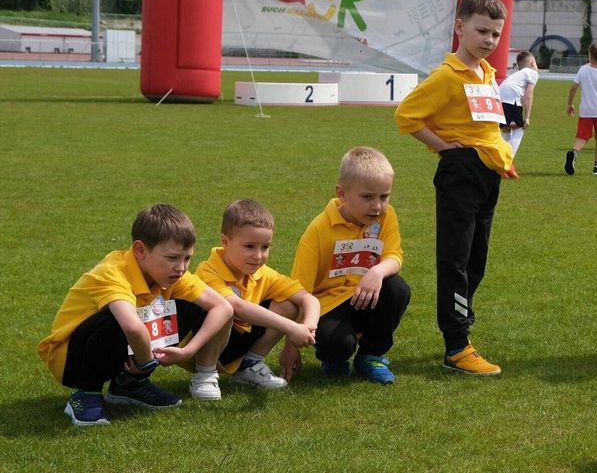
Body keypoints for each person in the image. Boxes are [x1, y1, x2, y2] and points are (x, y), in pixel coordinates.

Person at [394, 0, 513, 375]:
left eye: (495, 34)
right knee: (456, 261)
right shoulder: (446, 76)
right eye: (482, 31)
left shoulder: (487, 73)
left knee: (476, 261)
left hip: (487, 176)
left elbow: (483, 123)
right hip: (460, 173)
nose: (489, 41)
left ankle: (461, 325)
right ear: (460, 27)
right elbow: (407, 116)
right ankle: (457, 346)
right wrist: (447, 148)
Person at [37, 205, 234, 426]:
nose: (181, 267)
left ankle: (129, 385)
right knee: (115, 319)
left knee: (196, 306)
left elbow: (223, 308)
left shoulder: (174, 274)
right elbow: (132, 327)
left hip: (130, 350)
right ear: (140, 250)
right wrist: (146, 363)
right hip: (71, 358)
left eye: (187, 258)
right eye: (172, 258)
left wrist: (187, 351)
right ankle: (86, 394)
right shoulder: (112, 273)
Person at [281, 147, 412, 384]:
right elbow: (299, 289)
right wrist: (291, 344)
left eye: (384, 196)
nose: (377, 207)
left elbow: (394, 255)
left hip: (365, 297)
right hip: (328, 306)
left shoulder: (386, 217)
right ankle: (335, 358)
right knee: (336, 344)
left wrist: (377, 271)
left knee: (397, 288)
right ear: (342, 193)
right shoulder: (319, 230)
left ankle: (371, 356)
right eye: (367, 197)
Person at [194, 199, 320, 389]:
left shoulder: (263, 274)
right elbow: (238, 307)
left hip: (238, 340)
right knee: (225, 309)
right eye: (250, 246)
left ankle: (248, 366)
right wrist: (291, 327)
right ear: (225, 242)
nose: (259, 255)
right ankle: (204, 375)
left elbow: (308, 299)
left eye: (265, 247)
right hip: (200, 347)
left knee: (289, 304)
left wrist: (308, 327)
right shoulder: (208, 271)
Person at [565, 40, 597, 176]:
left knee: (582, 136)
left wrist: (570, 104)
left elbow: (573, 87)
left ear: (589, 55)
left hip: (585, 111)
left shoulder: (583, 70)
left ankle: (574, 152)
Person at [499, 50, 540, 165]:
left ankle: (498, 160)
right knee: (519, 130)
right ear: (532, 63)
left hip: (499, 98)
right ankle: (506, 163)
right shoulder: (532, 72)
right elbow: (528, 95)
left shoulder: (518, 75)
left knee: (506, 131)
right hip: (510, 100)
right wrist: (527, 117)